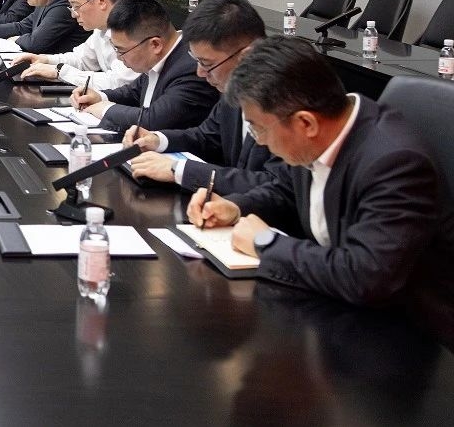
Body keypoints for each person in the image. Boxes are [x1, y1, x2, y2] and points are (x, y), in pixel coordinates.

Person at [189, 37, 454, 309]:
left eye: (259, 129)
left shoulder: (394, 164)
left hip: (403, 322)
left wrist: (265, 243)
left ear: (306, 123)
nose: (259, 141)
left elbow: (365, 274)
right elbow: (286, 190)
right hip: (335, 300)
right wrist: (235, 207)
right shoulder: (322, 132)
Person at [124, 0, 281, 194]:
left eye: (207, 63)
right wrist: (158, 140)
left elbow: (276, 185)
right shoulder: (232, 89)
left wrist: (179, 170)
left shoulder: (286, 98)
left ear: (245, 57)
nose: (200, 72)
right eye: (196, 61)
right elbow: (206, 137)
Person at [72, 0, 217, 131]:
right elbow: (134, 92)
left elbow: (154, 120)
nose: (118, 57)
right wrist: (100, 97)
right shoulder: (160, 59)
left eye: (122, 51)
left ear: (155, 45)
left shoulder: (192, 68)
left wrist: (105, 109)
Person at [11, 0, 138, 91]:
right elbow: (82, 59)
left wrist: (59, 72)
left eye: (76, 6)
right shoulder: (101, 27)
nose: (73, 14)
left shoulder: (132, 25)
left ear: (101, 1)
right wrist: (44, 59)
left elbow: (119, 82)